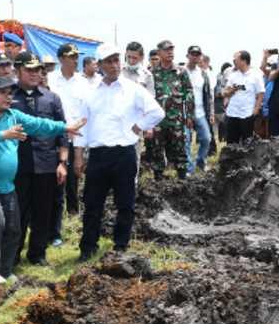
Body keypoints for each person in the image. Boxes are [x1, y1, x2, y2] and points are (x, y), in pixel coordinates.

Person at [0, 76, 84, 281]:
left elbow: (39, 124)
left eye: (10, 93)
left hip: (6, 184)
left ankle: (3, 271)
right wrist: (4, 134)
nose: (8, 97)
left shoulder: (13, 115)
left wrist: (65, 128)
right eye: (2, 93)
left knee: (13, 229)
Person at [72, 43, 164, 262]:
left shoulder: (133, 89)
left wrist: (139, 126)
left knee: (126, 203)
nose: (114, 65)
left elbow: (157, 112)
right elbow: (82, 127)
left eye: (116, 60)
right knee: (93, 204)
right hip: (98, 155)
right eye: (108, 62)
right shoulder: (90, 93)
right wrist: (77, 156)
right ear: (100, 65)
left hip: (124, 154)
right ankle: (88, 247)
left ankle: (120, 246)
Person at [9, 52, 68, 267]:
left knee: (43, 211)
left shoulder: (52, 98)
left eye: (37, 70)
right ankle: (12, 254)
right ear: (18, 70)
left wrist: (62, 163)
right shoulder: (8, 96)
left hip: (46, 163)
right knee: (17, 213)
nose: (35, 74)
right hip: (17, 164)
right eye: (29, 70)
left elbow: (62, 132)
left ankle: (37, 253)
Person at [45, 44, 91, 244]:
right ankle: (51, 222)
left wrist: (80, 144)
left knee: (73, 176)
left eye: (76, 57)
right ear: (62, 59)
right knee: (52, 180)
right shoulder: (50, 79)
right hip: (52, 136)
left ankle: (72, 213)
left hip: (75, 137)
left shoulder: (83, 82)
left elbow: (85, 115)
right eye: (71, 57)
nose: (75, 60)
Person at [148, 40, 193, 180]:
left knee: (180, 150)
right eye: (167, 50)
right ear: (159, 52)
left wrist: (189, 115)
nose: (170, 52)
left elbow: (189, 93)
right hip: (157, 121)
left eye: (172, 50)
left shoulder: (181, 72)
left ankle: (182, 179)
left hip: (177, 120)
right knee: (157, 151)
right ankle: (159, 180)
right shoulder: (152, 72)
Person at [222, 51, 265, 144]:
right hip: (232, 113)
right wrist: (231, 90)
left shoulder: (256, 75)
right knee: (231, 143)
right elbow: (224, 93)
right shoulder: (232, 75)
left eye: (235, 60)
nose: (234, 62)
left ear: (244, 61)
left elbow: (261, 94)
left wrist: (256, 110)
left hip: (247, 114)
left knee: (247, 143)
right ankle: (231, 159)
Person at [183, 45, 214, 174]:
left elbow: (209, 95)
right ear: (188, 55)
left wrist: (211, 112)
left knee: (207, 138)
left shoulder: (203, 74)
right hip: (184, 113)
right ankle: (189, 169)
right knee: (186, 141)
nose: (195, 56)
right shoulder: (181, 71)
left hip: (200, 112)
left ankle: (200, 161)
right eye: (193, 54)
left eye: (197, 54)